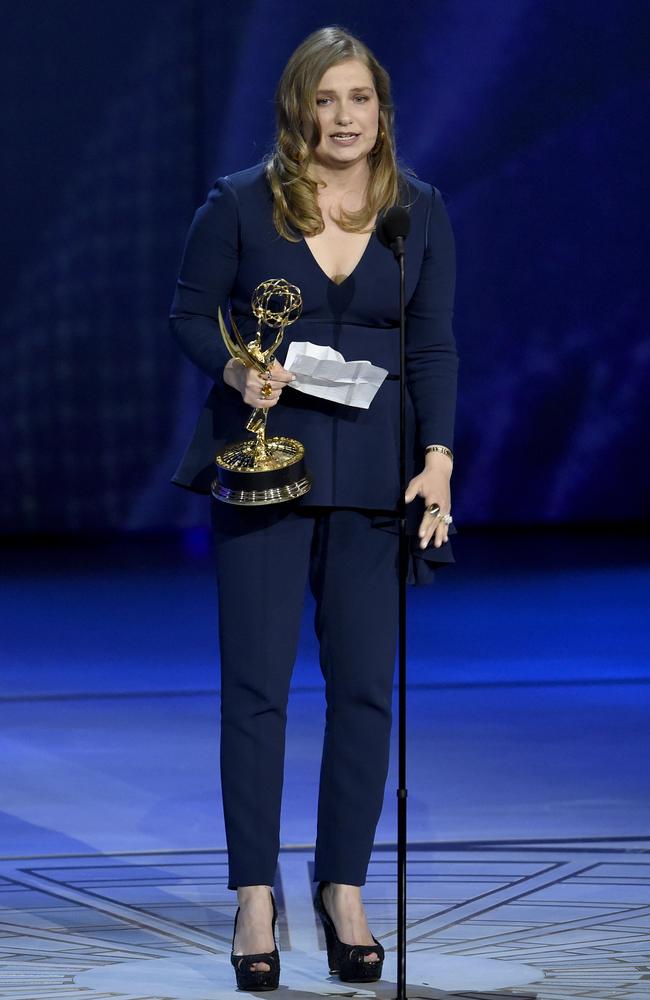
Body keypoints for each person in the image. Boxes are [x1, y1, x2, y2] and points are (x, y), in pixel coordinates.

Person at [169, 25, 458, 990]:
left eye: (360, 100)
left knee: (365, 691)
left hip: (377, 479)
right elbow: (190, 311)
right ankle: (255, 893)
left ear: (382, 110)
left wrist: (440, 461)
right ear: (299, 110)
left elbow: (435, 349)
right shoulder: (240, 206)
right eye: (326, 101)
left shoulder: (418, 211)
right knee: (256, 691)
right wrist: (237, 365)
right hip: (265, 471)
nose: (344, 118)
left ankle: (344, 887)